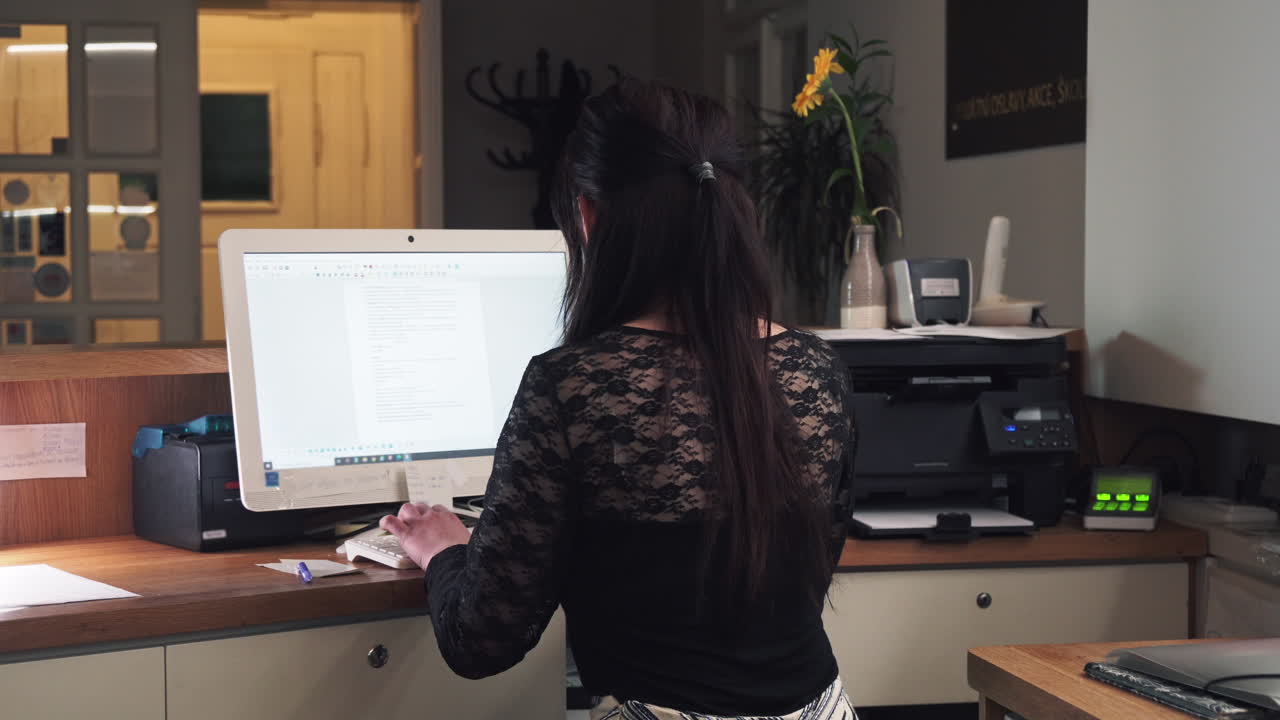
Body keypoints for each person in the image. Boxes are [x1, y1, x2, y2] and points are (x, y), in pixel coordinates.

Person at [381, 78, 857, 720]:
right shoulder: (816, 368)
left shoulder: (573, 385)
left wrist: (442, 548)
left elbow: (481, 640)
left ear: (588, 217)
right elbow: (803, 578)